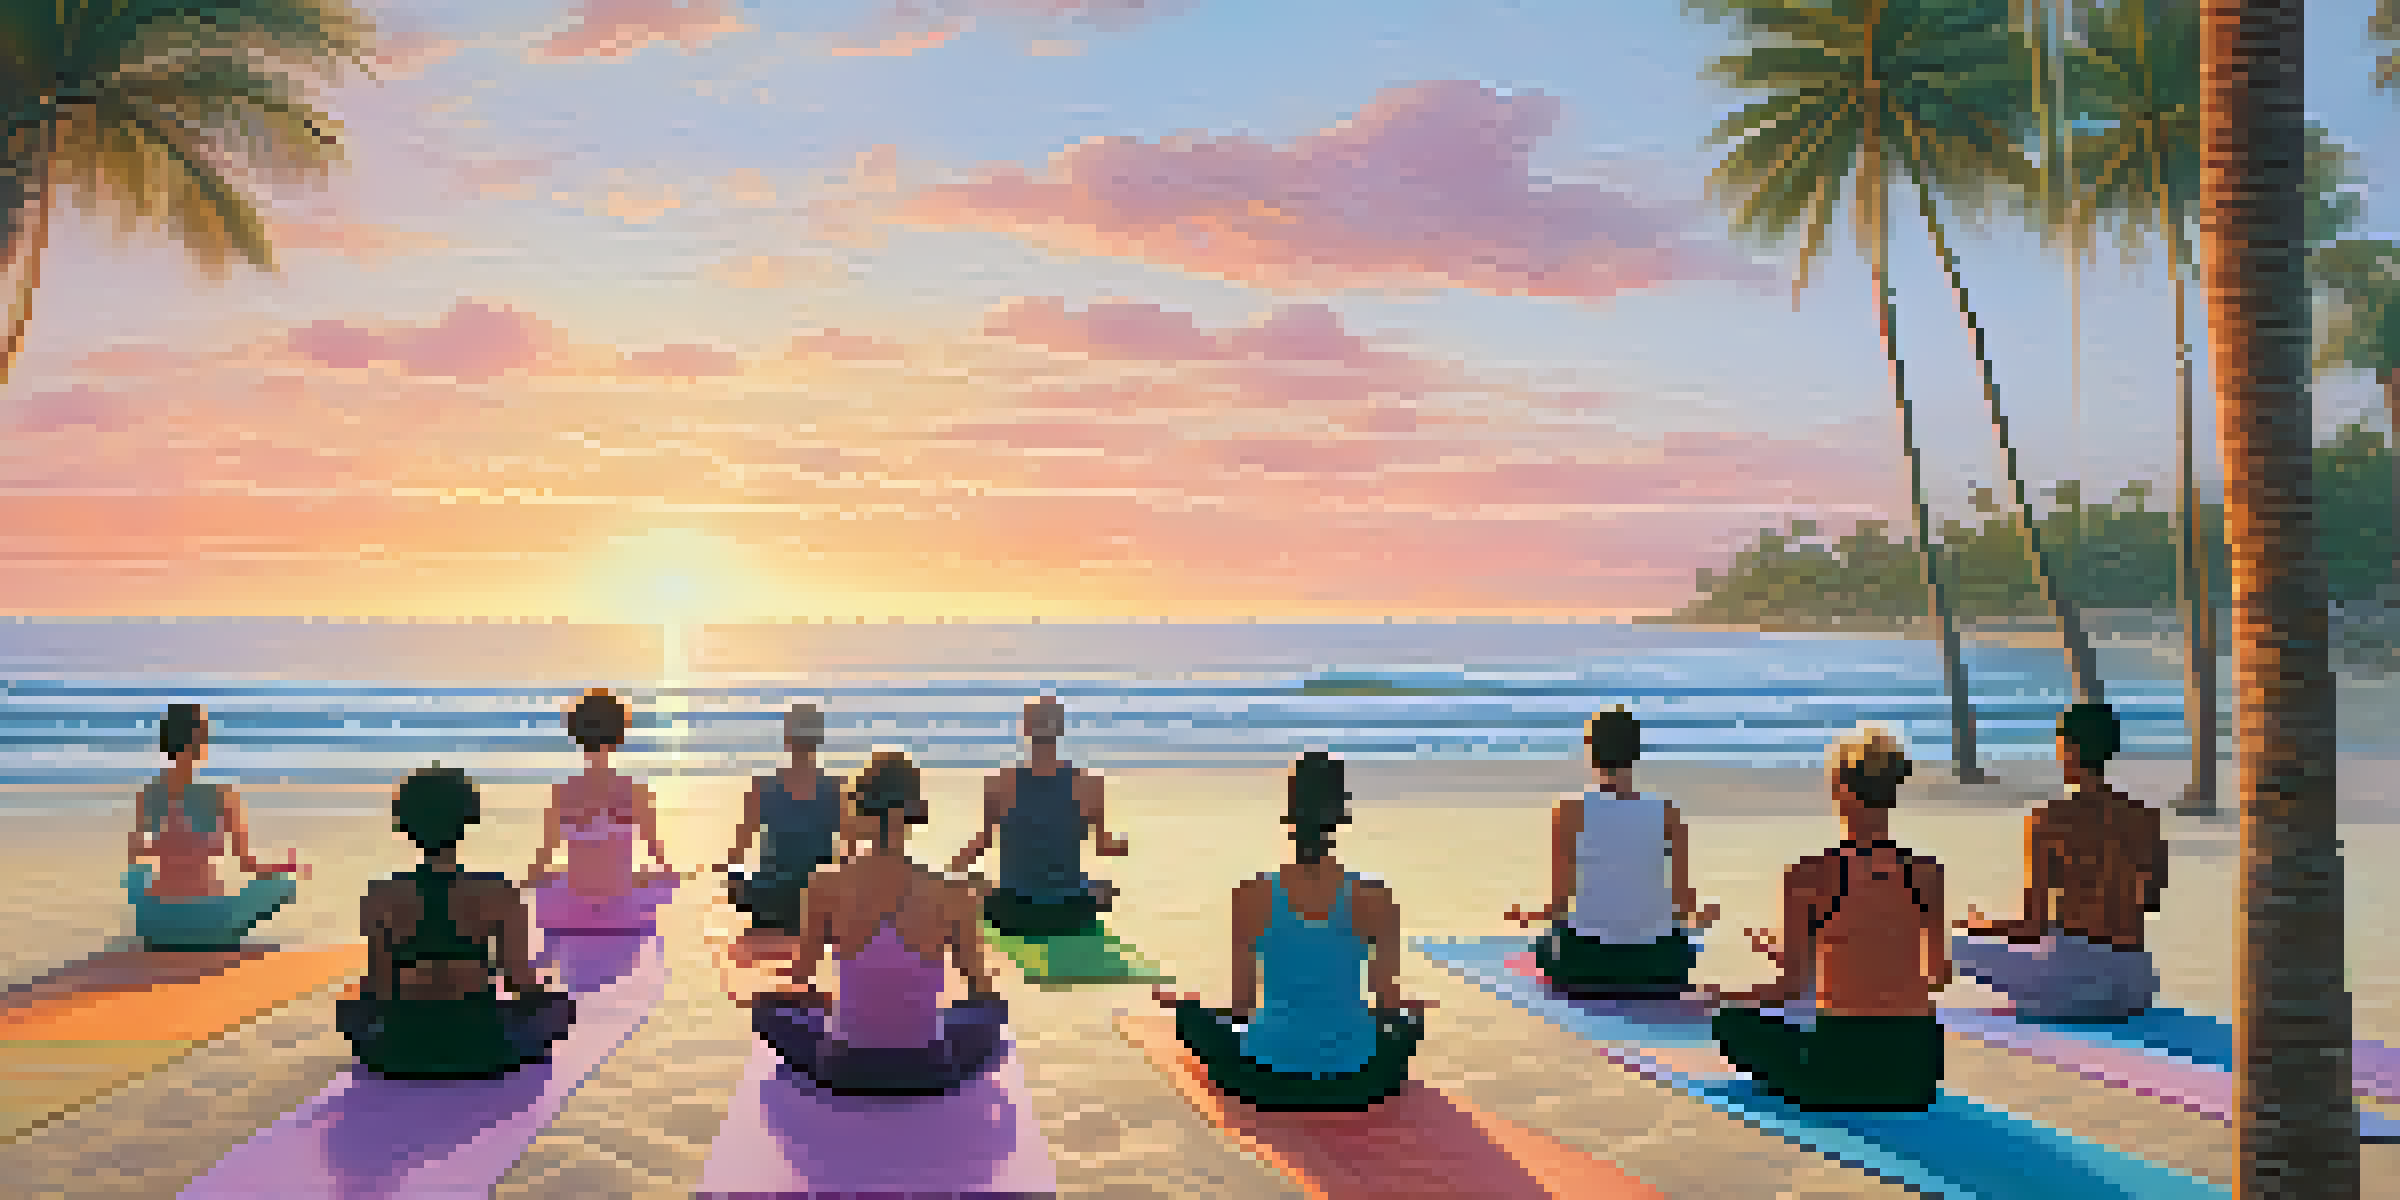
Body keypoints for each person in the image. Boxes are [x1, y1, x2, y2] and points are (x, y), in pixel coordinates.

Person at [1150, 751, 1431, 1112]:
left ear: (1290, 813)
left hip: (1265, 1078)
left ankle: (1186, 1008)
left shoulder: (1251, 894)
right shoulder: (1375, 896)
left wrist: (1197, 1010)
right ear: (1341, 815)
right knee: (1409, 1024)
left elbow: (1242, 1006)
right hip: (1357, 1081)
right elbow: (1387, 1006)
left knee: (1194, 1020)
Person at [1707, 726, 1948, 1112]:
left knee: (1731, 1023)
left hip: (1840, 1068)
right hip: (1915, 1070)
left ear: (1841, 792)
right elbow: (1936, 976)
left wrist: (1724, 995)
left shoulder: (1809, 875)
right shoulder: (1927, 873)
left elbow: (1790, 989)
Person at [742, 750, 1007, 1096]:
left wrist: (826, 1000)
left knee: (766, 1009)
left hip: (844, 1068)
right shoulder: (953, 892)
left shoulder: (825, 884)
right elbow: (980, 989)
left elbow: (801, 979)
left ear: (859, 811)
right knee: (988, 1012)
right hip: (928, 1069)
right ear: (916, 812)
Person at [338, 764, 574, 1079]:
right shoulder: (499, 892)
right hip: (479, 1045)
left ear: (405, 824)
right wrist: (543, 992)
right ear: (469, 818)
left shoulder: (380, 895)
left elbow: (380, 986)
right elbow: (518, 980)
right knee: (558, 1008)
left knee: (351, 1010)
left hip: (403, 1047)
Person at [1951, 703, 2167, 1021]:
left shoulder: (2049, 820)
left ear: (2070, 750)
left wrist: (1985, 927)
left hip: (2074, 984)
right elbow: (2150, 902)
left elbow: (2032, 926)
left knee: (1955, 943)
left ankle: (2041, 999)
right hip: (2134, 985)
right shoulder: (2146, 818)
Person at [1506, 706, 1719, 996]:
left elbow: (1559, 904)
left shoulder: (1570, 811)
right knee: (1684, 945)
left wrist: (1528, 916)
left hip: (1586, 964)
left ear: (1591, 753)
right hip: (1659, 965)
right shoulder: (1668, 812)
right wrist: (1704, 915)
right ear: (1636, 753)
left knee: (1544, 945)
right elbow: (1682, 905)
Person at [123, 704, 305, 951]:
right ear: (200, 741)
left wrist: (169, 851)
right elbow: (247, 865)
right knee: (285, 882)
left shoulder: (150, 794)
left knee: (138, 876)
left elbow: (135, 858)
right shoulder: (222, 796)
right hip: (210, 923)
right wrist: (283, 868)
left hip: (158, 926)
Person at [948, 695, 1129, 937]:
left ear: (1025, 729)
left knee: (978, 884)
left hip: (1011, 914)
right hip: (1071, 913)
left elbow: (983, 843)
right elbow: (1104, 848)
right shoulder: (1089, 784)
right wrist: (1125, 844)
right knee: (1105, 889)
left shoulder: (999, 783)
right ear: (1061, 729)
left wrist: (955, 870)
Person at [526, 689, 678, 929]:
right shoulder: (636, 792)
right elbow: (656, 854)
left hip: (574, 905)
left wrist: (528, 882)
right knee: (657, 880)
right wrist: (670, 875)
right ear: (619, 735)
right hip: (623, 906)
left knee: (551, 879)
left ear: (577, 735)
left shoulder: (563, 792)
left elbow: (545, 855)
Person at [719, 703, 847, 934]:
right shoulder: (837, 789)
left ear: (787, 739)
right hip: (817, 904)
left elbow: (738, 851)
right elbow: (852, 851)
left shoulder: (762, 787)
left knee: (744, 886)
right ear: (819, 740)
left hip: (770, 900)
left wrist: (734, 883)